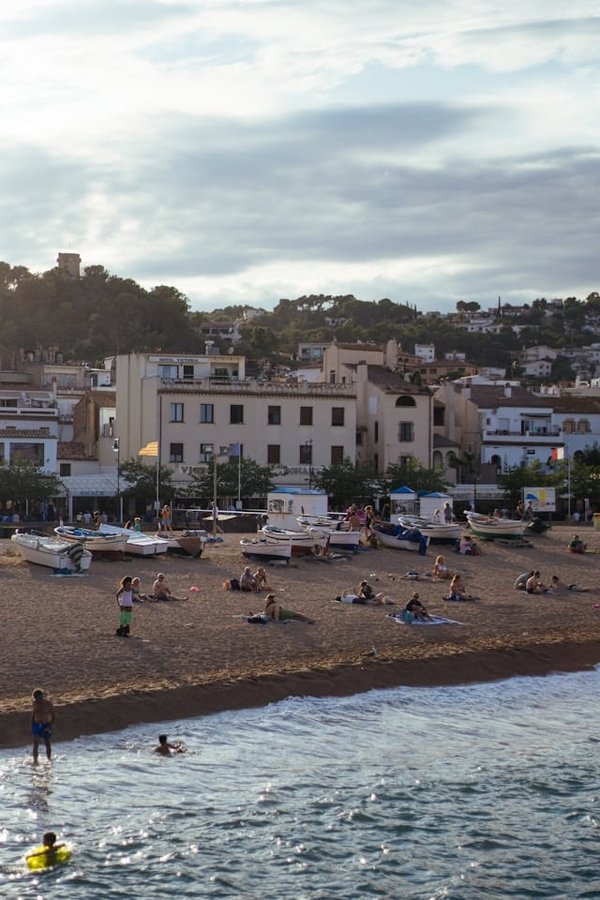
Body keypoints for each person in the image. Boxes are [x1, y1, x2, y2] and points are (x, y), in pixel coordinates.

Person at [31, 689, 54, 763]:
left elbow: (53, 716)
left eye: (38, 698)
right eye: (35, 698)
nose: (37, 700)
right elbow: (33, 714)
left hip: (46, 724)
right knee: (36, 744)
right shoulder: (34, 703)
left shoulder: (48, 704)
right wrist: (32, 725)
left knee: (47, 743)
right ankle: (35, 761)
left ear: (41, 696)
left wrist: (49, 726)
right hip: (37, 724)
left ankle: (49, 760)